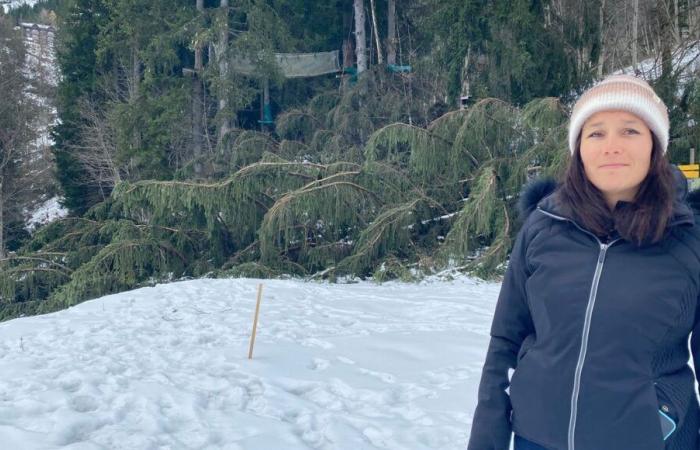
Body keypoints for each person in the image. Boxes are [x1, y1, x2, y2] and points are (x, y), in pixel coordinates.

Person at [466, 74, 700, 450]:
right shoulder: (544, 227)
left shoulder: (688, 238)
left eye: (630, 131)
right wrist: (486, 440)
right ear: (579, 148)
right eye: (596, 133)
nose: (611, 147)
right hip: (535, 438)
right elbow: (505, 341)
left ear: (655, 145)